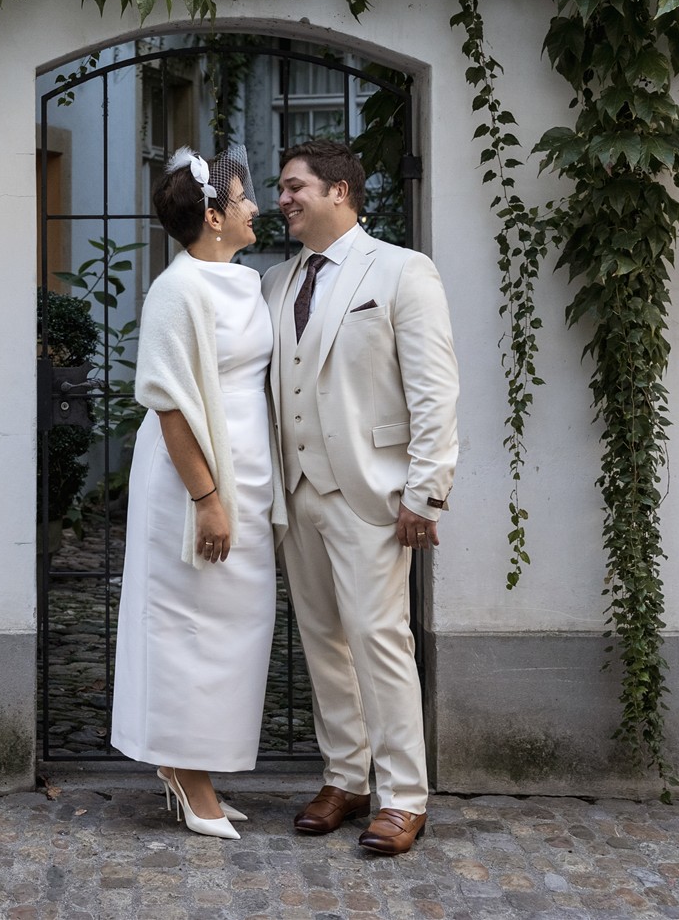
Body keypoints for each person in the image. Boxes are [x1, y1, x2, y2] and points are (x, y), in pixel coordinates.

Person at [264, 139, 459, 856]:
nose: (283, 199)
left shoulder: (403, 271)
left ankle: (404, 795)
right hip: (297, 490)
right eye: (281, 188)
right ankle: (345, 777)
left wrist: (426, 491)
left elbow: (435, 390)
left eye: (295, 186)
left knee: (380, 639)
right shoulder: (275, 282)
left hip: (372, 492)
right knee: (322, 640)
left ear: (339, 190)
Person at [110, 145, 285, 840]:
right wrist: (206, 498)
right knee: (187, 626)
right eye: (243, 199)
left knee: (238, 627)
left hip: (248, 474)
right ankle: (185, 771)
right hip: (193, 480)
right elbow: (169, 404)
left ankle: (198, 761)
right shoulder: (176, 290)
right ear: (213, 216)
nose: (256, 207)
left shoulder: (245, 280)